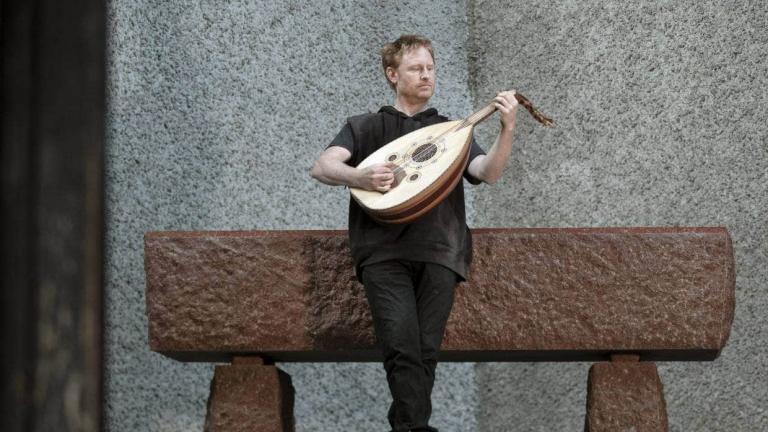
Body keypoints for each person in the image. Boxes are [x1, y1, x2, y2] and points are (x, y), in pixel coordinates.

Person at [309, 34, 519, 432]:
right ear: (392, 74)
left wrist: (506, 128)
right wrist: (361, 176)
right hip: (382, 253)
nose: (426, 75)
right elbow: (322, 167)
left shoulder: (451, 131)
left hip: (441, 251)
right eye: (415, 68)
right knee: (402, 346)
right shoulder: (365, 126)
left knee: (424, 352)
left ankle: (407, 427)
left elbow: (487, 172)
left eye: (430, 68)